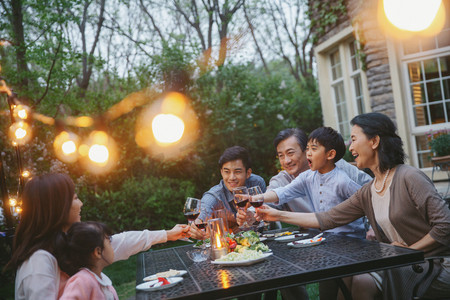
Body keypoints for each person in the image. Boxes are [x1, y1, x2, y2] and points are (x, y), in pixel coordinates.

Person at [254, 113, 450, 299]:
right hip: (403, 262)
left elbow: (445, 225)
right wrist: (275, 215)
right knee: (350, 285)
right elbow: (327, 218)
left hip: (436, 265)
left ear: (374, 141)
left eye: (354, 139)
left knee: (358, 281)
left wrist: (408, 253)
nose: (350, 147)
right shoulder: (369, 190)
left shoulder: (409, 176)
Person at [5, 173, 190, 300]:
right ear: (57, 206)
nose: (81, 202)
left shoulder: (67, 241)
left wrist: (167, 234)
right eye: (75, 197)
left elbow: (118, 243)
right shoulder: (39, 261)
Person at [190, 145, 266, 239]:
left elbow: (267, 212)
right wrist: (197, 223)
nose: (231, 178)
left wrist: (254, 216)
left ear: (248, 173)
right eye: (227, 172)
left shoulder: (256, 184)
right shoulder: (215, 195)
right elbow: (204, 208)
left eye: (237, 172)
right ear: (221, 172)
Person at [57, 221, 118, 300]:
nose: (112, 246)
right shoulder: (82, 281)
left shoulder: (100, 280)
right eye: (109, 242)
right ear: (98, 252)